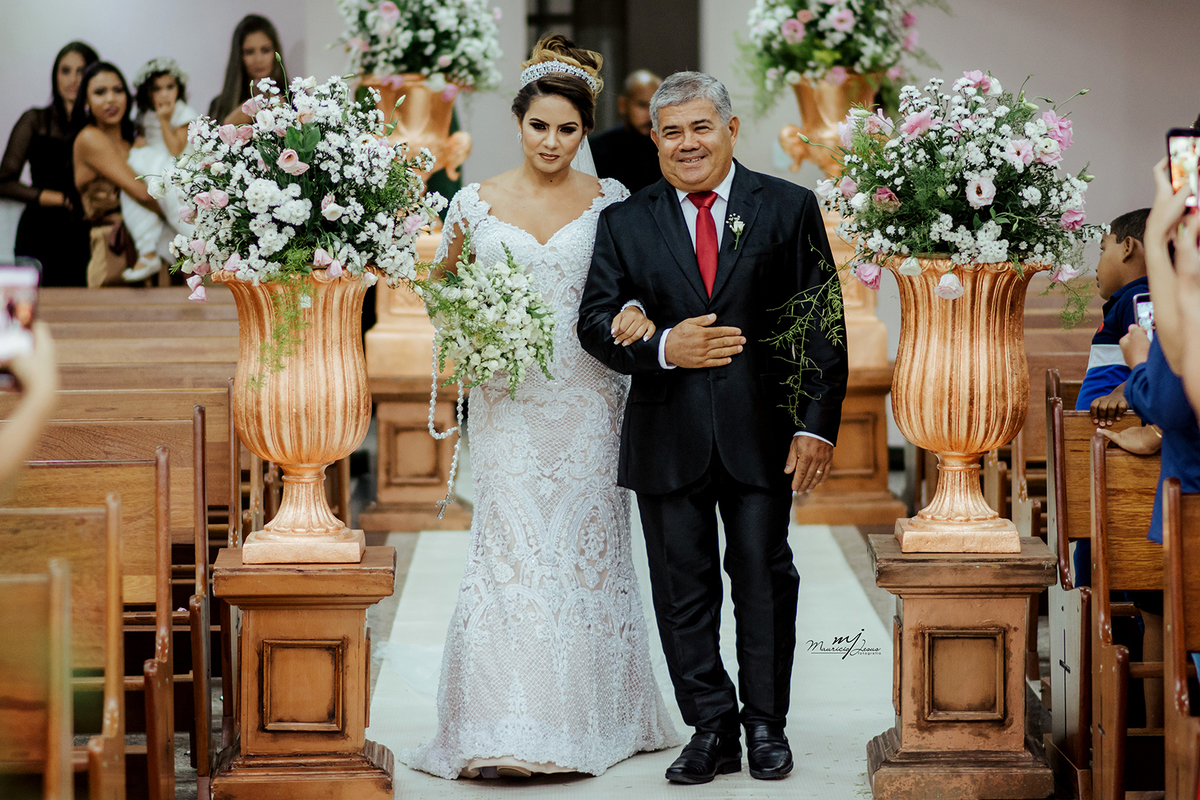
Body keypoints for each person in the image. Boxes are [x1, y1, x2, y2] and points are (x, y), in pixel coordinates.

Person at [406, 34, 681, 780]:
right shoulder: (473, 202)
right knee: (509, 551)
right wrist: (473, 333)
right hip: (509, 400)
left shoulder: (613, 201)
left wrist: (636, 313)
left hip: (591, 399)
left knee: (585, 553)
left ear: (585, 130)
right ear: (518, 122)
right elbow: (442, 291)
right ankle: (499, 725)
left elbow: (642, 288)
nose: (552, 141)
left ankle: (589, 716)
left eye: (567, 128)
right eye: (539, 126)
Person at [577, 71, 848, 785]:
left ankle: (765, 724)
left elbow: (821, 323)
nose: (687, 143)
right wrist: (666, 345)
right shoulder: (625, 221)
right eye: (671, 132)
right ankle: (711, 726)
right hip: (666, 434)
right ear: (654, 140)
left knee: (763, 577)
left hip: (762, 432)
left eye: (700, 127)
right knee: (681, 589)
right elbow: (595, 322)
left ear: (730, 130)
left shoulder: (787, 207)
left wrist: (816, 426)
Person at [0, 41, 98, 286]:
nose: (73, 79)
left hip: (85, 233)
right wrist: (59, 199)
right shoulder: (35, 120)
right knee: (36, 304)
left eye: (81, 71)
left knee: (86, 305)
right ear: (55, 76)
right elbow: (4, 182)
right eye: (65, 71)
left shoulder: (98, 126)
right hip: (39, 230)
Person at [71, 62, 161, 288]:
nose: (111, 99)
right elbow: (143, 193)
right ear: (86, 101)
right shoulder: (90, 138)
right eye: (100, 92)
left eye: (118, 90)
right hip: (113, 251)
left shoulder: (135, 140)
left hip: (152, 246)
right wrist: (189, 218)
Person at [121, 58, 198, 282]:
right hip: (152, 159)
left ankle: (195, 238)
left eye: (169, 87)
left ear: (178, 89)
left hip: (180, 163)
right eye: (157, 88)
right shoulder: (145, 114)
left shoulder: (183, 112)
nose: (164, 94)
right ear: (147, 92)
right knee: (132, 182)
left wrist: (165, 119)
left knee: (171, 187)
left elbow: (176, 150)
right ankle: (147, 248)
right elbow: (143, 139)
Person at [1078, 208, 1151, 425]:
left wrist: (1124, 392)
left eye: (1103, 249)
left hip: (1118, 429)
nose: (1096, 267)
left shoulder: (1138, 298)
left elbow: (1157, 361)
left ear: (1127, 247)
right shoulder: (1130, 299)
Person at [589, 69, 663, 193]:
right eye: (642, 105)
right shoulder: (596, 150)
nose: (650, 116)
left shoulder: (669, 148)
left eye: (656, 107)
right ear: (622, 104)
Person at [209, 14, 286, 125]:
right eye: (249, 52)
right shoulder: (220, 105)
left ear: (275, 52)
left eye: (265, 50)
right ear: (239, 56)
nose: (258, 59)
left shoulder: (295, 99)